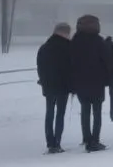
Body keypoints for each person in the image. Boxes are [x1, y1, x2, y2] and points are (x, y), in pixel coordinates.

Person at [70, 14, 113, 152]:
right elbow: (108, 61)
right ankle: (95, 140)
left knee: (85, 110)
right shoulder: (99, 42)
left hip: (81, 81)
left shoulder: (74, 42)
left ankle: (86, 138)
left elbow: (70, 62)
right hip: (97, 82)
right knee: (97, 112)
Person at [36, 22, 72, 154]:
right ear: (65, 33)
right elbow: (71, 67)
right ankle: (57, 142)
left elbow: (40, 66)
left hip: (49, 86)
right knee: (60, 114)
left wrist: (43, 81)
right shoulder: (69, 47)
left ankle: (50, 142)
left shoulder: (45, 47)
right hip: (63, 86)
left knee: (49, 113)